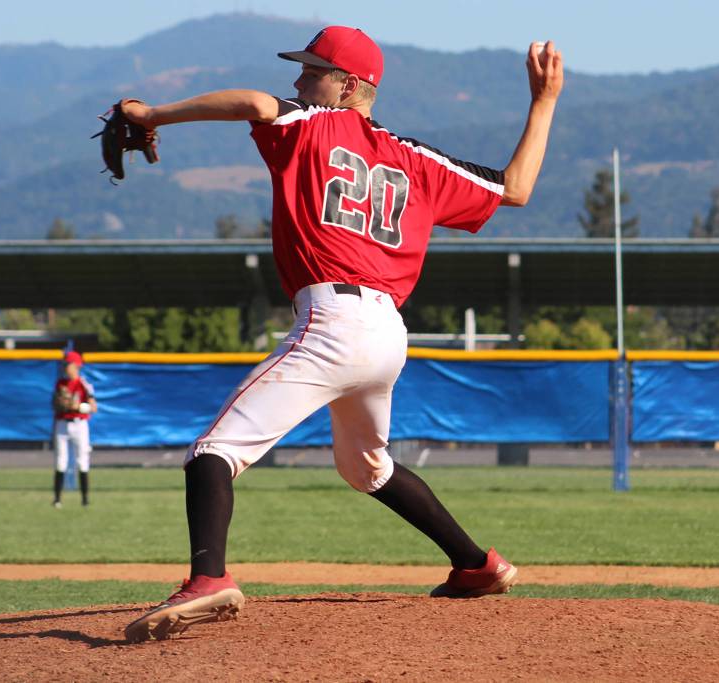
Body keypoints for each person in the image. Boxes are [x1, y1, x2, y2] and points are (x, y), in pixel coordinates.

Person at [120, 26, 564, 642]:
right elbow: (515, 190)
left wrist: (151, 113)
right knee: (367, 467)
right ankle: (476, 565)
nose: (299, 82)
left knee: (211, 454)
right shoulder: (417, 159)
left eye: (312, 71)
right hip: (387, 334)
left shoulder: (309, 124)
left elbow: (252, 104)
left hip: (332, 321)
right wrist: (543, 102)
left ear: (350, 85)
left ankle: (208, 581)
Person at [51, 350, 97, 507]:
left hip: (79, 424)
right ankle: (57, 499)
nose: (66, 367)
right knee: (60, 462)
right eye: (65, 364)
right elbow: (55, 404)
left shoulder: (84, 384)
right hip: (62, 424)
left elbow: (93, 407)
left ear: (77, 366)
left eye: (68, 364)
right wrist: (59, 405)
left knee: (82, 461)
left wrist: (78, 406)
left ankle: (85, 499)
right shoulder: (60, 383)